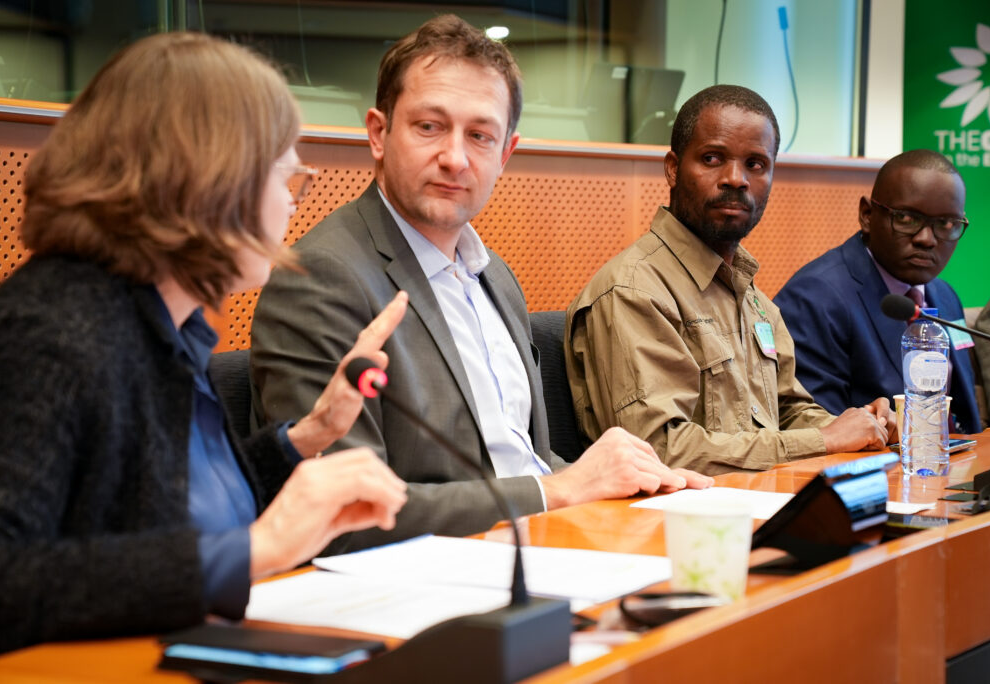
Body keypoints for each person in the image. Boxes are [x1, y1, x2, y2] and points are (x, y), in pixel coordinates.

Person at [0, 33, 409, 660]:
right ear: (211, 178)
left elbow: (174, 515)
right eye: (287, 176)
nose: (292, 201)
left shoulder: (161, 324)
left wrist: (307, 436)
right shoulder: (48, 330)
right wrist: (260, 548)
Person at [250, 14, 712, 555]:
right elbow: (344, 515)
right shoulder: (322, 278)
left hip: (537, 547)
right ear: (378, 133)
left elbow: (524, 463)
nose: (454, 157)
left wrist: (621, 477)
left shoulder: (494, 275)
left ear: (505, 153)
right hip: (422, 575)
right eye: (429, 127)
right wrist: (558, 489)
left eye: (479, 135)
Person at [565, 85, 895, 476]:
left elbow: (786, 410)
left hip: (757, 506)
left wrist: (860, 426)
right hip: (673, 524)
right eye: (712, 158)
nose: (736, 179)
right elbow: (658, 451)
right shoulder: (635, 290)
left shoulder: (755, 300)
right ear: (673, 168)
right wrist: (825, 441)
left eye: (755, 164)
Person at [775, 150, 980, 433]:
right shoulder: (814, 298)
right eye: (907, 218)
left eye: (946, 224)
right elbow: (817, 432)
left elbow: (964, 419)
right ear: (867, 215)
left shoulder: (945, 296)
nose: (926, 239)